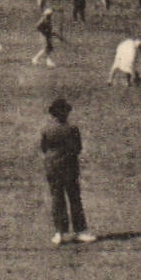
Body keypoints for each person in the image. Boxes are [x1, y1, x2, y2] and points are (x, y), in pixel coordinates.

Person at [41, 98, 96, 245]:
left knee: (57, 199)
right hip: (69, 167)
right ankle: (80, 231)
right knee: (74, 198)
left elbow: (44, 148)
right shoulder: (72, 129)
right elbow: (78, 148)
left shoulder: (46, 129)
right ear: (65, 113)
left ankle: (60, 232)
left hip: (52, 167)